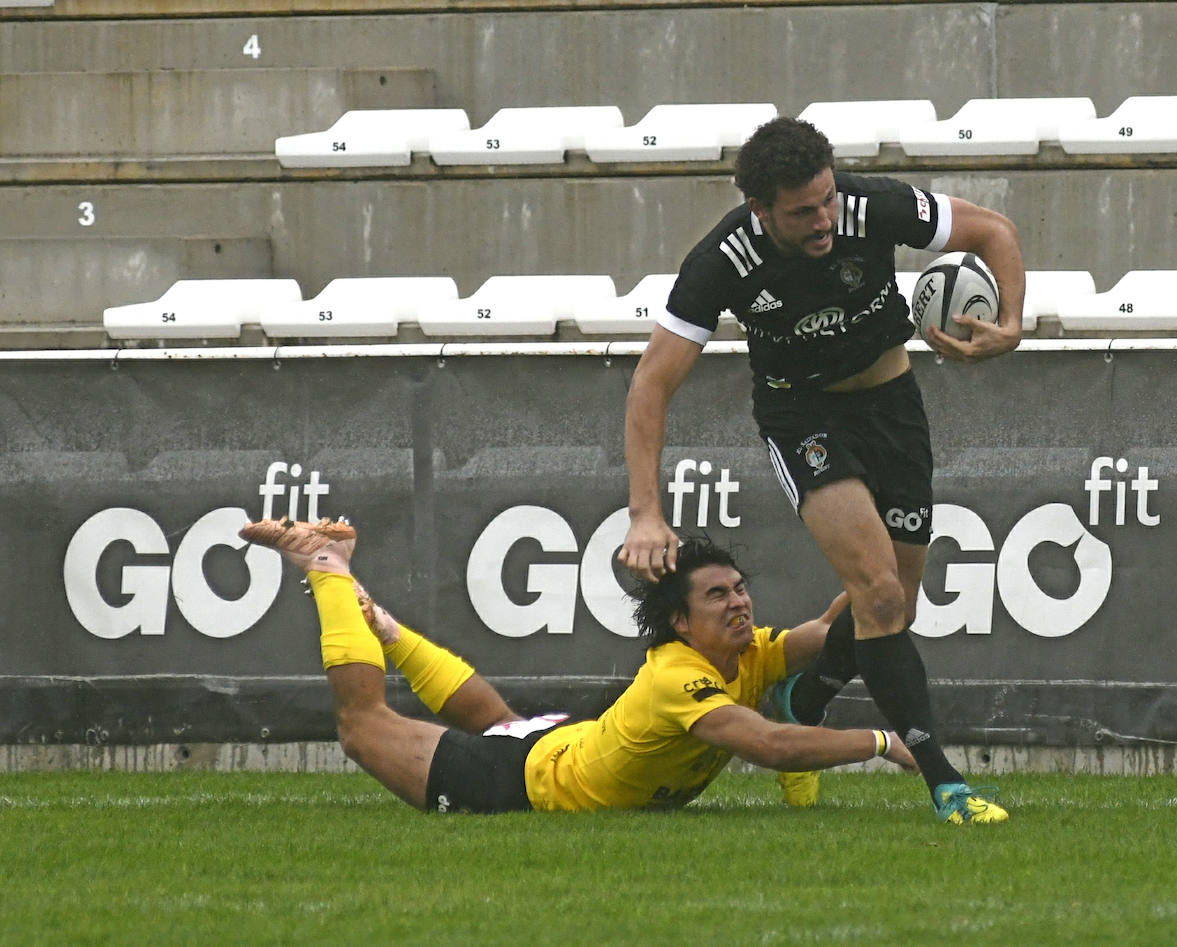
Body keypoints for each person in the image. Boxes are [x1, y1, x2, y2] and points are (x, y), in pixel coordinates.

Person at [619, 116, 1020, 824]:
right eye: (803, 211)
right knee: (880, 595)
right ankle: (945, 783)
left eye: (827, 199)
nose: (825, 219)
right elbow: (652, 382)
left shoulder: (870, 206)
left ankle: (806, 696)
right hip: (802, 417)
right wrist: (645, 511)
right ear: (760, 211)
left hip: (894, 408)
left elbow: (993, 229)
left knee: (895, 602)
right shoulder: (725, 259)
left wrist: (1011, 324)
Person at [238, 517, 920, 815]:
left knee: (496, 719)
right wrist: (881, 741)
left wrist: (886, 568)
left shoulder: (747, 649)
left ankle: (383, 628)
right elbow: (771, 744)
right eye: (718, 594)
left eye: (740, 588)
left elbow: (834, 629)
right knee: (362, 726)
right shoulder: (678, 677)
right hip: (509, 785)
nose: (739, 601)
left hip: (556, 744)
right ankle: (327, 565)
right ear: (681, 622)